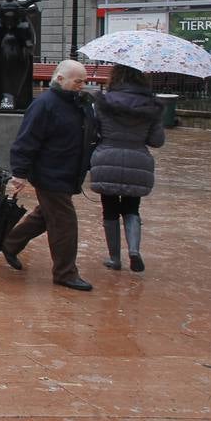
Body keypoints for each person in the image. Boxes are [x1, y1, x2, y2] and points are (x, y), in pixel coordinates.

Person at [2, 60, 98, 291]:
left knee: (45, 216)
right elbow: (26, 141)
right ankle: (65, 272)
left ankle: (8, 244)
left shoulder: (79, 103)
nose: (82, 86)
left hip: (69, 172)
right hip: (49, 173)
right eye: (78, 81)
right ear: (60, 79)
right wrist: (20, 174)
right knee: (65, 223)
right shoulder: (44, 104)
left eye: (84, 82)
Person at [89, 64, 165, 273]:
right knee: (132, 208)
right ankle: (133, 250)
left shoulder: (103, 102)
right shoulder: (151, 106)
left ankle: (115, 259)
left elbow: (92, 133)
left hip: (106, 159)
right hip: (137, 163)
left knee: (110, 209)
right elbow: (157, 141)